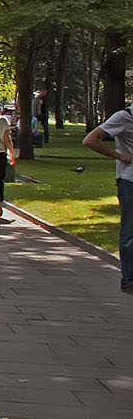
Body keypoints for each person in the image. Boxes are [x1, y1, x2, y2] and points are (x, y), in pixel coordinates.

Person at [82, 102, 133, 294]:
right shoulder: (124, 117)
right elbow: (90, 140)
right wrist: (118, 155)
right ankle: (129, 279)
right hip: (129, 181)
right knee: (129, 231)